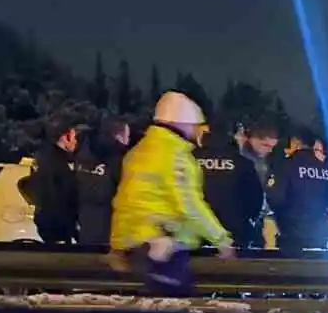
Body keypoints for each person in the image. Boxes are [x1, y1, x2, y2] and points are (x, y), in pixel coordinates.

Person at [110, 91, 235, 298]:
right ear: (183, 123)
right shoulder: (176, 156)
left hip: (129, 243)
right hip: (158, 248)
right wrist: (221, 240)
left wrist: (119, 244)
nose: (197, 132)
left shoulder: (138, 151)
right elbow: (190, 204)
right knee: (181, 310)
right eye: (196, 126)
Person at [266, 125, 328, 252]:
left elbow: (275, 197)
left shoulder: (286, 165)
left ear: (296, 142)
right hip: (320, 234)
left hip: (291, 232)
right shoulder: (326, 168)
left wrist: (281, 214)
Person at [196, 118, 264, 250]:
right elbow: (256, 199)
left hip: (197, 235)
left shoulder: (191, 158)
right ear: (233, 135)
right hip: (234, 236)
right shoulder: (243, 163)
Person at [74, 115, 130, 250]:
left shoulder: (83, 154)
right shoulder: (118, 160)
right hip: (109, 228)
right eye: (127, 136)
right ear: (118, 136)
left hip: (85, 224)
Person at [26, 120, 82, 245]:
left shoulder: (46, 157)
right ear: (65, 137)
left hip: (49, 226)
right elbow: (58, 199)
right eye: (74, 137)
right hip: (57, 230)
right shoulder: (57, 164)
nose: (76, 141)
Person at [241, 121, 282, 249]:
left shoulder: (269, 160)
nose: (269, 150)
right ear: (253, 139)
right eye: (265, 145)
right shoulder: (242, 159)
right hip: (245, 215)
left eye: (272, 147)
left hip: (263, 215)